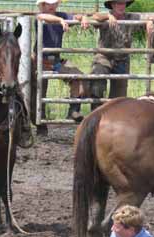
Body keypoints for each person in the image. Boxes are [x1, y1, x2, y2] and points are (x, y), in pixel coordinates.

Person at [34, 0, 91, 136]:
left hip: (56, 60)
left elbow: (75, 16)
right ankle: (39, 124)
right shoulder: (42, 16)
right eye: (48, 3)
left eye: (54, 3)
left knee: (78, 76)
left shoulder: (62, 15)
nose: (52, 5)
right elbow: (41, 17)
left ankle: (73, 110)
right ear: (43, 5)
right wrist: (60, 20)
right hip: (41, 60)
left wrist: (83, 17)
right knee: (40, 91)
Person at [89, 0, 154, 111]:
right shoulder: (106, 16)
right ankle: (96, 113)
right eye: (118, 3)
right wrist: (108, 16)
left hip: (122, 59)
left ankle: (112, 118)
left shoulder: (131, 17)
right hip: (104, 56)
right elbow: (95, 16)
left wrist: (150, 21)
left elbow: (153, 15)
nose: (121, 6)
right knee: (97, 81)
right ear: (112, 5)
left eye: (123, 3)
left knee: (118, 97)